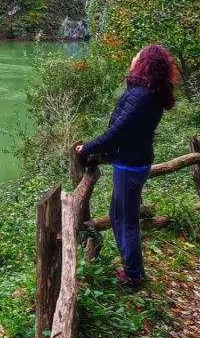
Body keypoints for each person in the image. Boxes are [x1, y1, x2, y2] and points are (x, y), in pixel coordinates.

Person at [76, 44, 179, 288]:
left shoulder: (141, 96)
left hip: (129, 166)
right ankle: (134, 270)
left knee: (125, 219)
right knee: (119, 214)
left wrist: (87, 147)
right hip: (135, 161)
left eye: (137, 54)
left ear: (144, 63)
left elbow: (118, 132)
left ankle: (133, 274)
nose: (133, 56)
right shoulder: (149, 92)